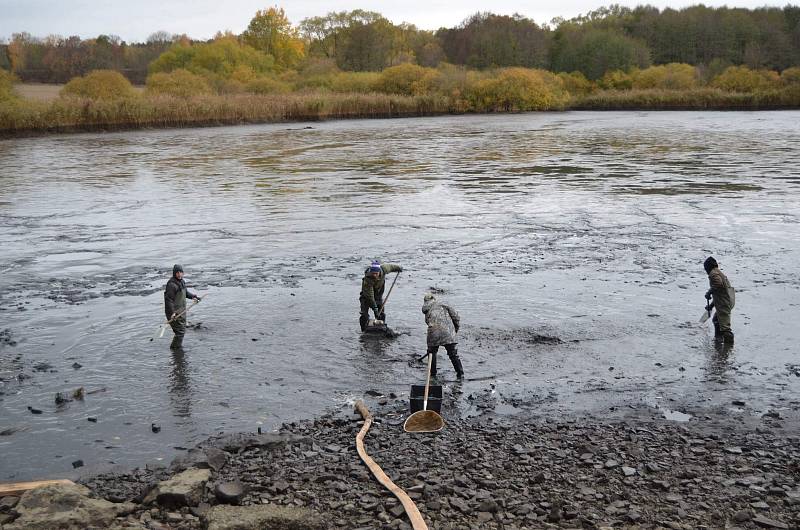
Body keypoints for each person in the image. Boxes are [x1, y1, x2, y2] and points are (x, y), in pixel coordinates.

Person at [422, 293, 464, 380]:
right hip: (447, 332)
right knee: (453, 354)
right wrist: (456, 329)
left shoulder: (426, 310)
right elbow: (456, 317)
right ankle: (460, 374)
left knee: (432, 353)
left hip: (433, 333)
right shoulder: (443, 304)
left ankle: (433, 375)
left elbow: (427, 322)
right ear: (434, 299)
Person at [164, 264, 201, 350]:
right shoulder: (171, 285)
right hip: (174, 313)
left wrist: (194, 296)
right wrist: (172, 313)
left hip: (181, 312)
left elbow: (186, 293)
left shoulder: (182, 282)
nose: (179, 274)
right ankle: (175, 349)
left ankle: (176, 351)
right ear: (174, 273)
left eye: (181, 272)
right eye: (177, 272)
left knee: (181, 331)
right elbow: (168, 300)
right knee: (180, 332)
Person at [359, 260, 402, 331]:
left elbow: (391, 267)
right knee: (364, 315)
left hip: (378, 296)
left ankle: (381, 329)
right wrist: (374, 307)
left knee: (381, 314)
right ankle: (364, 331)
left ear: (379, 272)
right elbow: (370, 296)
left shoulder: (384, 269)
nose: (374, 275)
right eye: (373, 273)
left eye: (376, 273)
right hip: (366, 297)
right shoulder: (368, 279)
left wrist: (398, 268)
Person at [704, 256, 735, 344]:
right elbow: (719, 295)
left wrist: (709, 292)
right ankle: (719, 338)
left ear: (707, 267)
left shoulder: (713, 273)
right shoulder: (718, 272)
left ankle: (728, 347)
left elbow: (718, 284)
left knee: (725, 327)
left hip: (724, 303)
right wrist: (711, 306)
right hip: (727, 300)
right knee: (716, 319)